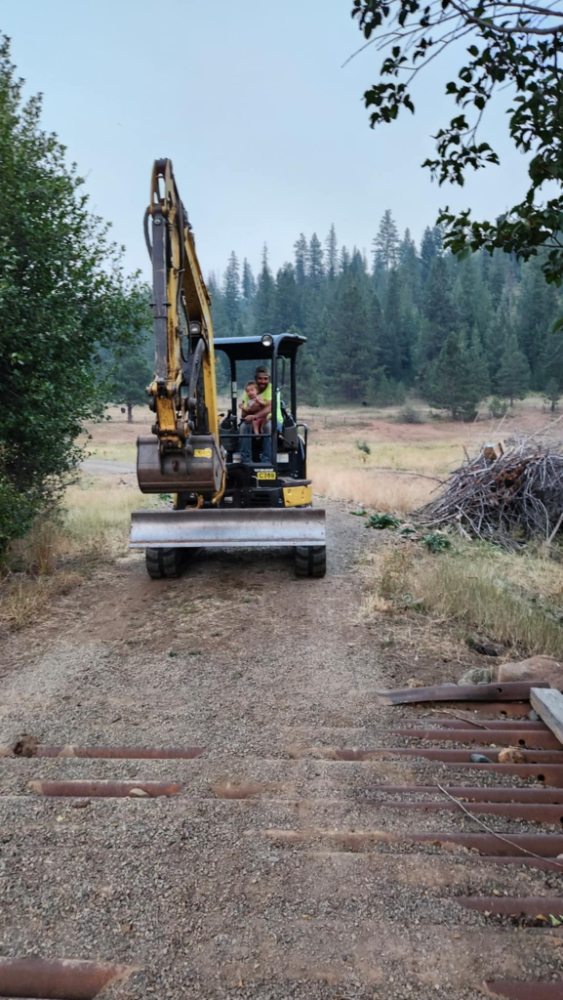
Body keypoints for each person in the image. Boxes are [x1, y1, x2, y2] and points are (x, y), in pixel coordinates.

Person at [239, 366, 273, 463]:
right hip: (252, 420)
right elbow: (243, 414)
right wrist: (244, 409)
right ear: (255, 379)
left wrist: (254, 415)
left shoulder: (272, 389)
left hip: (270, 419)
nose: (262, 381)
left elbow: (270, 407)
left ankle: (267, 460)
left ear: (269, 379)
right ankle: (246, 460)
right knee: (243, 427)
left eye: (265, 379)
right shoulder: (249, 391)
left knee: (268, 427)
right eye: (260, 378)